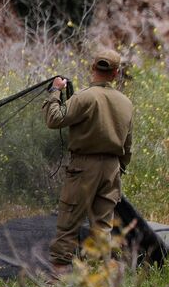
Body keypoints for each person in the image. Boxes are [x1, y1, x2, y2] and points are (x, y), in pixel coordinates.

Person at [41, 49, 133, 271]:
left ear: (92, 68)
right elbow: (127, 145)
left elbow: (54, 119)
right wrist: (119, 168)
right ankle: (97, 281)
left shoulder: (84, 97)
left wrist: (55, 91)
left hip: (83, 167)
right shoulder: (125, 103)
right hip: (112, 168)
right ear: (116, 73)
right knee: (102, 227)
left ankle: (56, 278)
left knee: (69, 222)